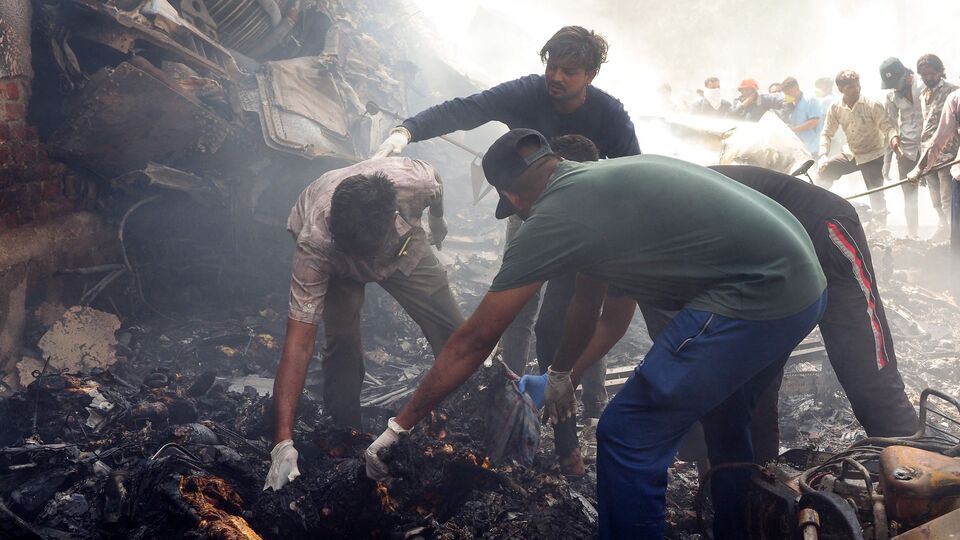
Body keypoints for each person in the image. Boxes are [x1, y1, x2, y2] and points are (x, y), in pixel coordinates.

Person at [365, 128, 827, 539]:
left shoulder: (552, 216)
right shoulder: (600, 184)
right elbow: (598, 311)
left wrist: (399, 424)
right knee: (726, 419)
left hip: (755, 295)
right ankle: (736, 529)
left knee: (627, 434)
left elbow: (475, 338)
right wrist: (562, 373)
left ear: (515, 197)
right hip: (801, 286)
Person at [372, 25, 641, 475]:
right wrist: (408, 129)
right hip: (527, 211)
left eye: (568, 71)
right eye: (551, 66)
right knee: (516, 308)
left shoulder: (611, 116)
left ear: (591, 75)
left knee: (564, 321)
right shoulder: (527, 93)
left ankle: (573, 429)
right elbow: (468, 109)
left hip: (584, 224)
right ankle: (510, 398)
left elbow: (632, 171)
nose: (555, 77)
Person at [547, 152, 918, 465]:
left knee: (867, 374)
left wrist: (567, 376)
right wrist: (564, 377)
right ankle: (757, 492)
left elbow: (621, 325)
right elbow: (612, 321)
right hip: (765, 281)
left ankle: (927, 488)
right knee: (749, 389)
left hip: (820, 231)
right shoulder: (620, 236)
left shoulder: (639, 215)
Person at [263, 157, 465, 491]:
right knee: (342, 342)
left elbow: (437, 183)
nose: (364, 264)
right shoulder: (315, 246)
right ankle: (347, 435)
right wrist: (281, 441)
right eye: (356, 253)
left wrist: (439, 219)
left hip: (402, 250)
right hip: (335, 262)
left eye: (366, 253)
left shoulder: (413, 183)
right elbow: (298, 346)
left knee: (455, 334)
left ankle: (454, 423)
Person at [818, 70, 901, 224]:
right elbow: (827, 133)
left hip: (873, 154)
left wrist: (893, 138)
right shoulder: (836, 107)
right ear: (841, 89)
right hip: (851, 153)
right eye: (851, 87)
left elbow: (887, 127)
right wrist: (823, 155)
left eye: (857, 85)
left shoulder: (871, 104)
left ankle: (881, 226)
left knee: (875, 192)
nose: (856, 89)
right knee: (827, 170)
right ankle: (817, 205)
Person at [915, 54, 958, 239]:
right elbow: (925, 123)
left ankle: (953, 231)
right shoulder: (923, 93)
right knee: (935, 195)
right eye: (924, 74)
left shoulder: (952, 92)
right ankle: (942, 225)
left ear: (940, 72)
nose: (928, 77)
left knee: (947, 195)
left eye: (931, 73)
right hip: (928, 150)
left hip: (948, 151)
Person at [881, 57, 925, 238]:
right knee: (909, 193)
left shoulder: (924, 85)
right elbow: (890, 127)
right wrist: (887, 160)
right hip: (906, 150)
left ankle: (946, 227)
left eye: (895, 82)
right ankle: (913, 234)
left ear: (906, 74)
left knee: (940, 190)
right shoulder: (891, 96)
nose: (894, 87)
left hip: (931, 146)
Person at [781, 77, 821, 157]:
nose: (787, 96)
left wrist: (794, 130)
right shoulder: (790, 104)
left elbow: (814, 122)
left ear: (797, 88)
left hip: (813, 148)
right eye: (786, 94)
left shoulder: (809, 99)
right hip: (800, 149)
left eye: (789, 93)